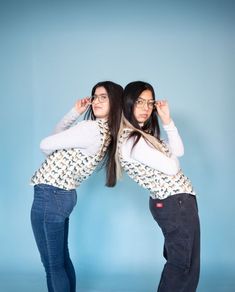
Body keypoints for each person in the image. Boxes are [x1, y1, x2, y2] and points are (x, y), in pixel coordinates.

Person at [30, 81, 123, 292]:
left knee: (53, 265)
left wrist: (74, 114)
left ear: (115, 102)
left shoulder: (90, 128)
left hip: (50, 194)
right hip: (63, 195)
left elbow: (46, 144)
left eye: (104, 97)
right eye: (95, 96)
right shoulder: (106, 132)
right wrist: (75, 112)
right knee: (61, 260)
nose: (96, 101)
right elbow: (54, 142)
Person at [117, 81, 200, 292]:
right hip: (175, 202)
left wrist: (167, 120)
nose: (145, 108)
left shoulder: (145, 136)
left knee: (185, 264)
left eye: (149, 103)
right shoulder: (132, 140)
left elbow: (178, 151)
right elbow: (173, 167)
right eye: (139, 102)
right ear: (128, 103)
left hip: (177, 201)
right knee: (181, 264)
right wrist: (169, 155)